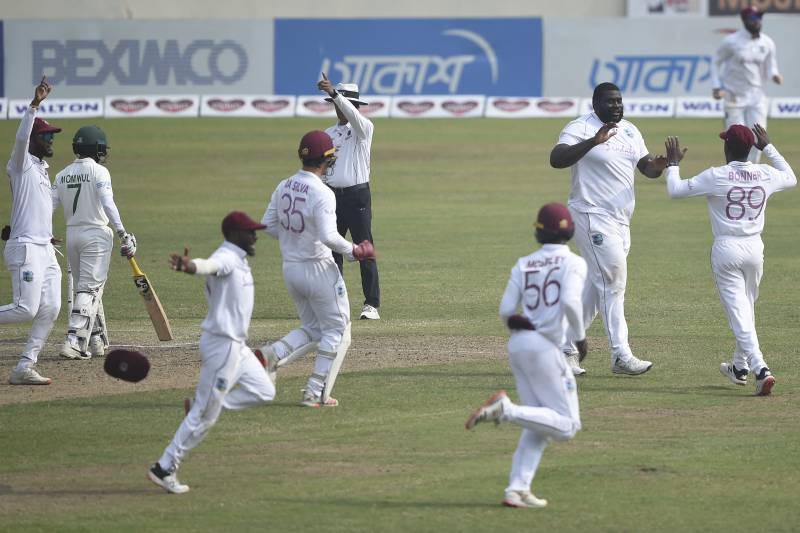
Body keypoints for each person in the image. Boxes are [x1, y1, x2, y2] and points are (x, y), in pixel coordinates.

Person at [465, 202, 587, 509]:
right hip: (546, 347)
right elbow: (572, 304)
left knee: (539, 424)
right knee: (567, 426)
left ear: (538, 232)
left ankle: (517, 490)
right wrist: (580, 338)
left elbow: (506, 311)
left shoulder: (524, 263)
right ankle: (505, 410)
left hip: (519, 345)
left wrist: (518, 323)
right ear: (569, 231)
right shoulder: (574, 263)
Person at [148, 211, 275, 494]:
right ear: (233, 235)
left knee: (264, 391)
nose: (255, 237)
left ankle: (202, 405)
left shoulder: (238, 258)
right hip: (222, 345)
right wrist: (189, 266)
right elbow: (209, 265)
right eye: (250, 232)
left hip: (236, 347)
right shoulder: (228, 256)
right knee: (205, 417)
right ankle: (164, 466)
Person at [664, 124, 795, 396]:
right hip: (755, 248)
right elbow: (791, 178)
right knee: (745, 309)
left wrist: (674, 164)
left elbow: (675, 190)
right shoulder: (765, 173)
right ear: (751, 148)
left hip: (727, 248)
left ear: (726, 147)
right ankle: (739, 366)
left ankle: (761, 369)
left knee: (739, 314)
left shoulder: (717, 175)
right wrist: (768, 146)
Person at [549, 82, 667, 377]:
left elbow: (646, 168)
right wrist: (593, 142)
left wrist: (662, 164)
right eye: (610, 102)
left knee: (595, 286)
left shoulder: (630, 130)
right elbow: (557, 158)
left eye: (619, 101)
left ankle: (565, 351)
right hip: (591, 214)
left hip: (621, 221)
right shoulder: (580, 127)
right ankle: (620, 355)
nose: (617, 106)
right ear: (595, 104)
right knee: (613, 284)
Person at [256, 130, 375, 407]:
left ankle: (271, 355)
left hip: (291, 269)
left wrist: (293, 239)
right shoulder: (323, 192)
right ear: (327, 160)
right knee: (337, 329)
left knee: (312, 328)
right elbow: (328, 237)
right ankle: (315, 392)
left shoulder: (284, 184)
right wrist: (355, 249)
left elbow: (269, 225)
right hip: (319, 269)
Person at [52, 125, 137, 360]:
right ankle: (74, 341)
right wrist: (122, 233)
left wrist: (46, 233)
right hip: (96, 235)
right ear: (95, 148)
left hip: (72, 236)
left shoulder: (61, 174)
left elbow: (46, 206)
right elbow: (108, 203)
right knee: (89, 290)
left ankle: (96, 339)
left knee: (87, 289)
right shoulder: (99, 172)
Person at [1, 76, 62, 385]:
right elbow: (22, 138)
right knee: (26, 308)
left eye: (52, 136)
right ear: (35, 141)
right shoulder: (21, 163)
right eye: (46, 136)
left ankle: (24, 366)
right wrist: (35, 105)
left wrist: (48, 235)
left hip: (44, 248)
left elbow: (37, 208)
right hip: (25, 247)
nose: (51, 140)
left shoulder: (41, 168)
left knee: (50, 307)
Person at [317, 74, 381, 320]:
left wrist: (335, 94)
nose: (338, 108)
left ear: (354, 106)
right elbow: (323, 168)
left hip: (357, 196)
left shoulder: (364, 128)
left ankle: (371, 305)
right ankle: (336, 302)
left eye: (342, 102)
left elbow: (353, 117)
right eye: (334, 103)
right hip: (332, 196)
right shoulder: (328, 133)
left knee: (365, 248)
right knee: (331, 250)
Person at [711, 6, 783, 163]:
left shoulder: (767, 42)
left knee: (758, 136)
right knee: (735, 139)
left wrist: (774, 75)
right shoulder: (731, 41)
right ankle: (734, 175)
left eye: (758, 18)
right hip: (733, 95)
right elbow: (716, 62)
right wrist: (717, 86)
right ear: (744, 20)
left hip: (757, 95)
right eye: (753, 18)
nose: (757, 21)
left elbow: (771, 66)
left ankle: (752, 172)